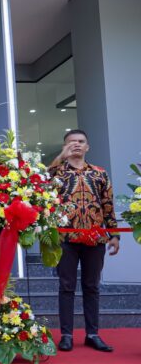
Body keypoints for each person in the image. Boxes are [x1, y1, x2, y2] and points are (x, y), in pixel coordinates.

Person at [48, 129, 119, 352]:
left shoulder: (99, 173)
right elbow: (39, 183)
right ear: (64, 146)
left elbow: (108, 205)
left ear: (87, 147)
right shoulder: (57, 172)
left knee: (92, 286)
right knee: (66, 286)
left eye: (80, 142)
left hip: (95, 238)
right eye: (71, 142)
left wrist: (114, 235)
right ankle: (66, 335)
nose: (76, 145)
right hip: (65, 238)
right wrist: (60, 157)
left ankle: (92, 334)